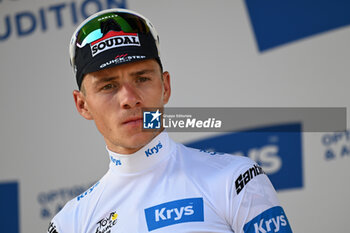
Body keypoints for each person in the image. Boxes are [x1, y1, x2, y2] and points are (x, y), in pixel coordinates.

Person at [47, 8, 293, 233]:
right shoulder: (69, 223)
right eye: (109, 86)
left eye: (142, 79)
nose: (129, 99)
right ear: (82, 104)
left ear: (165, 86)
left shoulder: (235, 179)